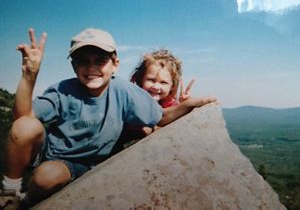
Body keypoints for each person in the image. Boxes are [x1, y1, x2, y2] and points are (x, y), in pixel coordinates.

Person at [1, 28, 216, 207]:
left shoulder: (123, 91)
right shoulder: (62, 90)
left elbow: (159, 117)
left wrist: (187, 106)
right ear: (74, 65)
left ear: (115, 64)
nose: (92, 68)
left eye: (100, 60)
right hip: (49, 151)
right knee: (26, 127)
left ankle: (26, 203)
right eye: (83, 61)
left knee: (45, 178)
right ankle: (10, 192)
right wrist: (29, 76)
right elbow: (21, 121)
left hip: (81, 165)